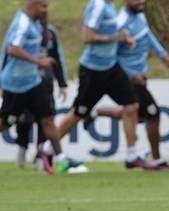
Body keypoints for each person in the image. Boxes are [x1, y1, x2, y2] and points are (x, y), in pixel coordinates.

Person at [41, 0, 148, 170]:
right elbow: (87, 37)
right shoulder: (97, 5)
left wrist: (123, 36)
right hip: (93, 71)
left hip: (111, 66)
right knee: (78, 113)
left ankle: (131, 155)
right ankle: (47, 148)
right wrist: (116, 38)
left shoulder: (109, 5)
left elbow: (108, 31)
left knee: (132, 105)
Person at [0, 0, 83, 175]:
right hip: (15, 83)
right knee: (6, 122)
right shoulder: (22, 23)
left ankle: (61, 160)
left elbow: (45, 42)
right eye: (43, 6)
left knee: (48, 118)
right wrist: (38, 61)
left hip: (33, 81)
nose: (46, 10)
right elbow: (12, 50)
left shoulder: (35, 24)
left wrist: (45, 24)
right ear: (32, 6)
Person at [94, 0, 169, 171]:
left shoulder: (140, 16)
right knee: (152, 114)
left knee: (138, 114)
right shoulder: (120, 21)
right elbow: (111, 54)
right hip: (129, 79)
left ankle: (95, 113)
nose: (142, 1)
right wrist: (130, 75)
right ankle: (154, 159)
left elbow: (147, 34)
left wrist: (162, 54)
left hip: (140, 77)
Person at [11, 21, 68, 170]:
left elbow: (57, 57)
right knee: (24, 121)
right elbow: (10, 53)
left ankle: (39, 157)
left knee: (45, 120)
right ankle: (22, 147)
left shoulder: (51, 33)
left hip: (45, 84)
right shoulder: (23, 29)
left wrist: (62, 83)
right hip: (25, 83)